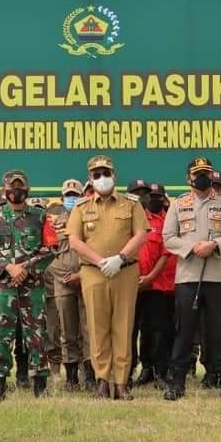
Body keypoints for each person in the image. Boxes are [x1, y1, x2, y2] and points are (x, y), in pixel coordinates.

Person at [162, 157, 221, 401]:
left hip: (218, 277)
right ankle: (177, 383)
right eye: (198, 173)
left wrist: (215, 245)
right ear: (189, 177)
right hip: (187, 277)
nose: (202, 177)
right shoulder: (178, 204)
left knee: (220, 331)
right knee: (184, 330)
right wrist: (192, 248)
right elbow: (168, 237)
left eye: (207, 173)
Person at [67, 155, 148, 400]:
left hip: (125, 270)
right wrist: (99, 260)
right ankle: (102, 380)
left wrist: (120, 258)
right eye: (97, 174)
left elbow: (141, 234)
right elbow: (74, 240)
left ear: (115, 176)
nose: (102, 178)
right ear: (90, 179)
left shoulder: (131, 203)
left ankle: (121, 383)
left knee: (123, 326)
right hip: (93, 272)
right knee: (97, 326)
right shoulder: (82, 207)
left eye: (106, 173)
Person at [0, 170, 55, 401]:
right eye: (11, 187)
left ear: (27, 190)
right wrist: (7, 267)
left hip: (32, 286)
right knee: (2, 334)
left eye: (19, 187)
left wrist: (27, 268)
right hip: (4, 287)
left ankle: (40, 385)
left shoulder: (40, 217)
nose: (16, 191)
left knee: (36, 334)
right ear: (5, 190)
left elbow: (50, 247)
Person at [46, 179, 93, 391]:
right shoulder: (52, 222)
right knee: (67, 330)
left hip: (87, 279)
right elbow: (47, 253)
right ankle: (71, 377)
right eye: (68, 196)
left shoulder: (89, 217)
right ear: (62, 197)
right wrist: (67, 276)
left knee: (88, 329)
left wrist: (82, 275)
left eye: (75, 195)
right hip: (62, 283)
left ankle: (90, 376)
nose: (72, 199)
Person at [133, 183, 175, 388]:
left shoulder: (164, 222)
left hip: (158, 285)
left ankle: (160, 371)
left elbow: (166, 254)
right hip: (131, 286)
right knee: (133, 330)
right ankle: (141, 369)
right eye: (151, 196)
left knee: (158, 330)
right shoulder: (132, 221)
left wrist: (149, 277)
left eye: (157, 196)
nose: (152, 199)